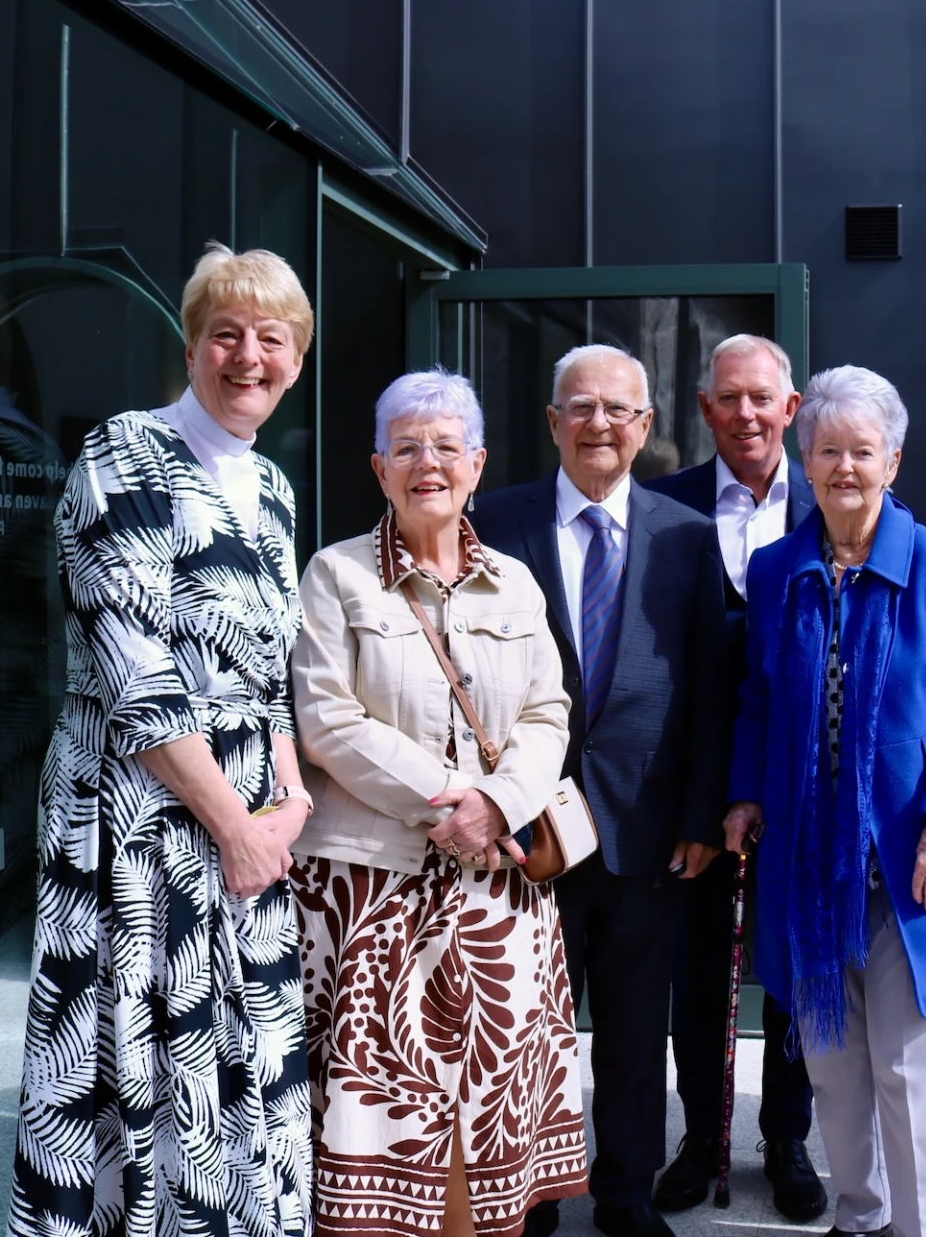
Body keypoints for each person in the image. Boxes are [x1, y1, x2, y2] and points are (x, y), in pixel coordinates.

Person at [9, 244, 315, 1236]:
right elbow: (135, 676)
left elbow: (269, 671)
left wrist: (291, 795)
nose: (247, 356)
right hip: (139, 825)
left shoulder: (272, 490)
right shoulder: (125, 452)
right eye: (225, 334)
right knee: (134, 1081)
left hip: (248, 833)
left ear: (298, 358)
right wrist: (238, 826)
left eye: (272, 338)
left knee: (244, 1073)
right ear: (191, 346)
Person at [726, 366, 926, 1237]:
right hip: (808, 864)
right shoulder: (778, 566)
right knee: (833, 1064)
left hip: (911, 863)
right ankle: (861, 1218)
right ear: (805, 460)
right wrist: (745, 793)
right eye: (828, 451)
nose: (845, 467)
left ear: (893, 462)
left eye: (864, 451)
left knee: (912, 1067)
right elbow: (756, 697)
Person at [289, 370, 589, 1237]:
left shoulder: (518, 585)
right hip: (372, 894)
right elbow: (327, 719)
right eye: (409, 447)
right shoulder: (335, 574)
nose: (429, 463)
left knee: (484, 1125)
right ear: (378, 467)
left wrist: (496, 804)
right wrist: (452, 801)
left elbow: (548, 713)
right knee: (378, 1129)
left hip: (499, 897)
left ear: (478, 464)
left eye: (447, 447)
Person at [475, 344, 729, 1237]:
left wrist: (701, 815)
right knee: (524, 1035)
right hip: (524, 831)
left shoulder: (687, 538)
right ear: (552, 422)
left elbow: (709, 685)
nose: (599, 425)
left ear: (647, 428)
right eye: (580, 408)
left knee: (632, 1033)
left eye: (619, 410)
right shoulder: (492, 523)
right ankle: (528, 1199)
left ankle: (625, 1195)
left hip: (645, 829)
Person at [643, 333, 824, 1222]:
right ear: (706, 410)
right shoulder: (664, 508)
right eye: (728, 399)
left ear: (791, 410)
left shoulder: (834, 503)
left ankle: (785, 1138)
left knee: (791, 968)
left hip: (803, 783)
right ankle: (699, 1138)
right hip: (697, 786)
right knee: (698, 968)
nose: (745, 414)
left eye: (762, 398)